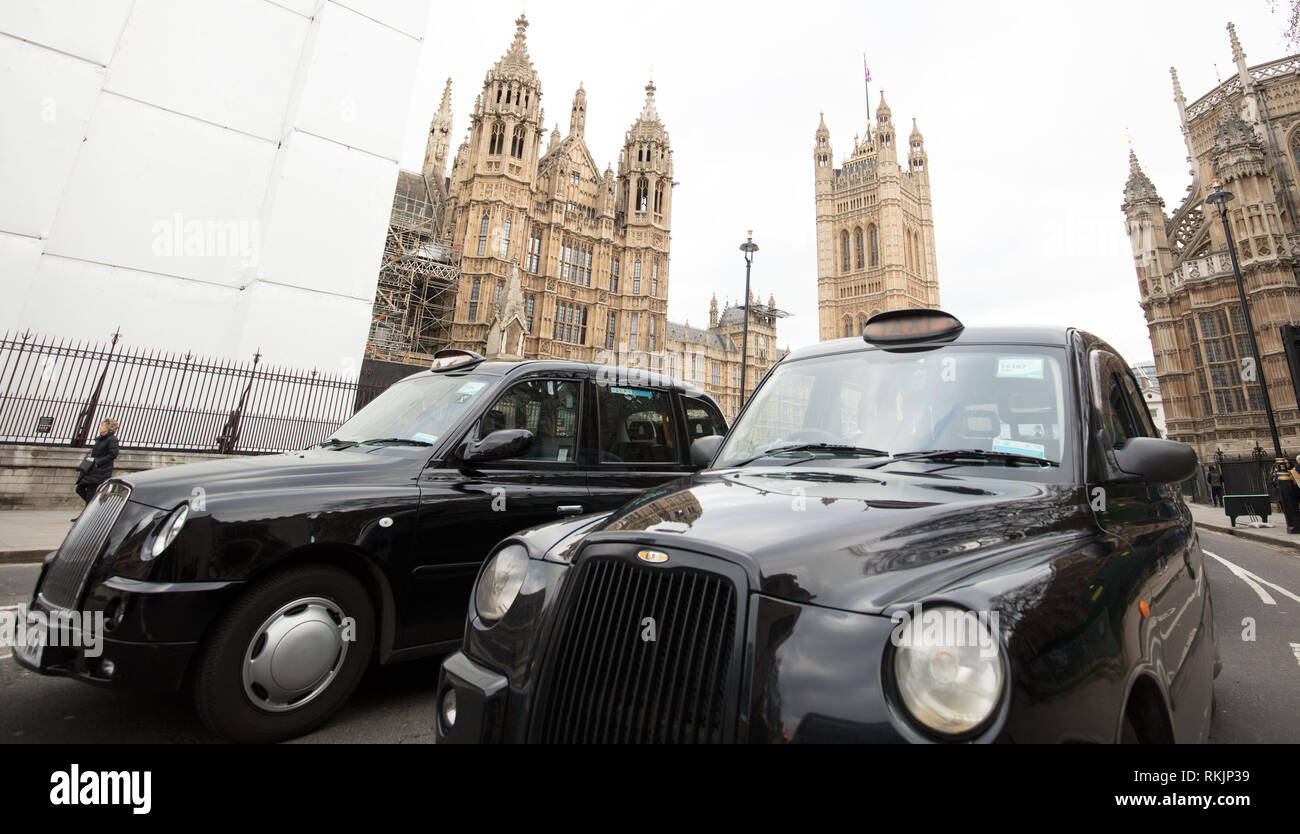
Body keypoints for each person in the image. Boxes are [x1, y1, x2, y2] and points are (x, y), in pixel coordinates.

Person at [75, 418, 119, 510]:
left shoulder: (112, 439)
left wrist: (98, 462)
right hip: (92, 469)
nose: (100, 427)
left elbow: (113, 454)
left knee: (90, 493)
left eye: (102, 425)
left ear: (108, 427)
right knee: (79, 489)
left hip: (101, 470)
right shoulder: (100, 439)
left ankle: (87, 514)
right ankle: (95, 508)